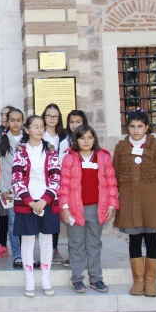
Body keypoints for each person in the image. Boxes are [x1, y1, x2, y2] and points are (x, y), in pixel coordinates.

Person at [113, 109, 156, 297]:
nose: (136, 130)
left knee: (151, 240)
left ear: (147, 127)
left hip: (152, 204)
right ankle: (138, 280)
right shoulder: (121, 148)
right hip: (131, 204)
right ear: (127, 128)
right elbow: (114, 176)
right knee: (134, 240)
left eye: (140, 126)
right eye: (132, 126)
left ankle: (151, 281)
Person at [59, 124, 118, 293]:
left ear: (94, 139)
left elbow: (111, 183)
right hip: (75, 209)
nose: (86, 141)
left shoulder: (103, 157)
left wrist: (112, 205)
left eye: (89, 138)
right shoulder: (69, 158)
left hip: (96, 208)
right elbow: (64, 186)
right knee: (76, 244)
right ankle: (77, 279)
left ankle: (96, 278)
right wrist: (64, 207)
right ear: (75, 140)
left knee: (94, 244)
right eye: (82, 138)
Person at [11, 115, 61, 297]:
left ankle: (46, 278)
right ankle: (29, 278)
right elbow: (16, 178)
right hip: (27, 203)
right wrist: (31, 202)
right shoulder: (20, 151)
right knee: (28, 241)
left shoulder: (51, 150)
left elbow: (56, 178)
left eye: (42, 126)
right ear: (27, 130)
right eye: (35, 126)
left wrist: (44, 200)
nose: (40, 130)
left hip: (47, 202)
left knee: (47, 240)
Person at [56, 109, 89, 269]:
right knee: (73, 226)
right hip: (70, 190)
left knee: (89, 227)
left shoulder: (89, 141)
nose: (75, 125)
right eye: (72, 122)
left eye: (78, 122)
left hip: (86, 189)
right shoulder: (64, 143)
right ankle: (73, 255)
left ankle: (88, 256)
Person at [0, 107, 24, 268]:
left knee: (27, 222)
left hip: (27, 189)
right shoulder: (1, 141)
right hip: (10, 188)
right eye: (12, 120)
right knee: (12, 221)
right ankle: (17, 254)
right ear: (7, 120)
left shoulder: (29, 139)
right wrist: (3, 187)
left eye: (18, 120)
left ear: (23, 122)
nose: (15, 123)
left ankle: (27, 252)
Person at [41, 103, 68, 266]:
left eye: (55, 116)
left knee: (55, 215)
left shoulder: (64, 137)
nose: (51, 119)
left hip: (60, 181)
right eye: (48, 116)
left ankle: (54, 249)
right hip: (42, 180)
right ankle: (43, 249)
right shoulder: (39, 134)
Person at [0, 106, 14, 258]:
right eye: (2, 115)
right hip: (2, 183)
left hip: (16, 184)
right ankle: (2, 243)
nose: (3, 118)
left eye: (6, 115)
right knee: (3, 215)